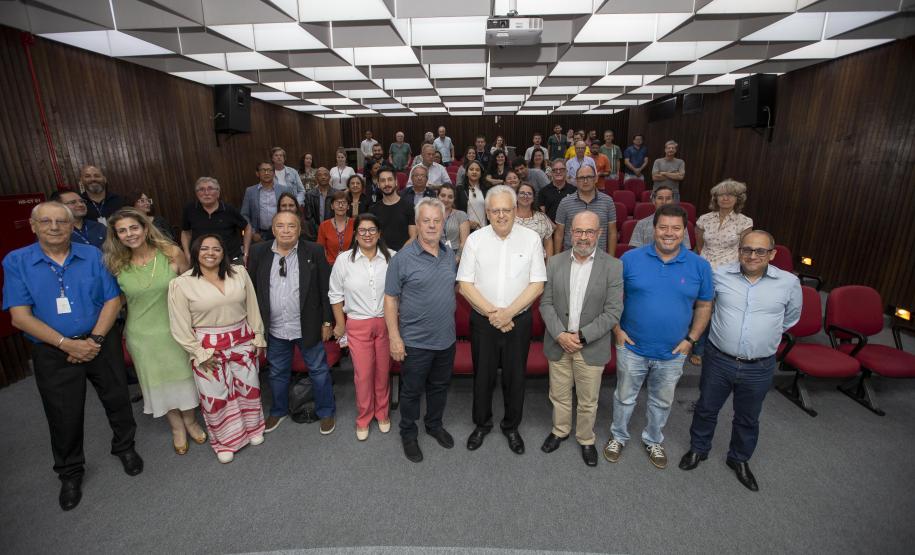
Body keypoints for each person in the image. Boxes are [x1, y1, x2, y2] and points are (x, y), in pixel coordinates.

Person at [3, 201, 141, 511]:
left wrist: (93, 340)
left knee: (117, 398)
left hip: (100, 341)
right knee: (63, 414)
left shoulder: (92, 255)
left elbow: (112, 300)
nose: (54, 227)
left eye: (61, 222)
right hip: (53, 351)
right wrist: (68, 344)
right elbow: (20, 317)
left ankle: (125, 448)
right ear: (33, 225)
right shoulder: (18, 261)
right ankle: (70, 473)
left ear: (70, 225)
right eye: (46, 221)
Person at [679, 230, 802, 492]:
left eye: (760, 251)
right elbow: (706, 307)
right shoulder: (720, 275)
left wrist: (762, 335)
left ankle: (739, 459)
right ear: (739, 251)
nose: (752, 255)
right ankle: (698, 449)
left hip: (759, 365)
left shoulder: (789, 283)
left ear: (772, 254)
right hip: (719, 359)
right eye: (747, 249)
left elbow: (790, 318)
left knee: (748, 417)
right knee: (706, 408)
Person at [604, 204, 713, 469]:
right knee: (624, 397)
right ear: (653, 229)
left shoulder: (700, 266)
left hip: (674, 351)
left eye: (676, 228)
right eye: (663, 227)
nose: (669, 233)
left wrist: (691, 340)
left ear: (684, 231)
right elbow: (612, 298)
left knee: (662, 401)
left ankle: (653, 439)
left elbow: (704, 306)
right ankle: (618, 436)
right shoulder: (630, 259)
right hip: (632, 347)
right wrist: (617, 330)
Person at [103, 208, 204, 453]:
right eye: (122, 231)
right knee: (158, 383)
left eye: (134, 228)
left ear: (145, 228)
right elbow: (115, 302)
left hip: (176, 330)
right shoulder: (115, 264)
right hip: (142, 335)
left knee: (184, 378)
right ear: (116, 236)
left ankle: (190, 421)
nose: (129, 234)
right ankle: (176, 426)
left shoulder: (171, 253)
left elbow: (193, 288)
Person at [458, 186, 547, 455]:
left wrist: (508, 314)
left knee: (515, 377)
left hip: (517, 322)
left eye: (506, 210)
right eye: (494, 211)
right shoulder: (475, 240)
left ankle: (511, 427)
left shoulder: (531, 239)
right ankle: (482, 424)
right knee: (482, 376)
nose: (500, 215)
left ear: (514, 210)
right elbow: (464, 284)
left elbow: (537, 285)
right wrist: (494, 314)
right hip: (483, 322)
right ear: (487, 212)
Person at [167, 234, 266, 463]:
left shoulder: (239, 273)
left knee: (249, 387)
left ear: (223, 253)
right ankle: (225, 441)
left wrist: (258, 336)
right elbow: (179, 325)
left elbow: (252, 305)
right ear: (195, 252)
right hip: (207, 347)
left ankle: (253, 429)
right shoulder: (181, 283)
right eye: (204, 249)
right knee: (216, 395)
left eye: (216, 249)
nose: (210, 253)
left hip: (242, 339)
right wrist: (199, 353)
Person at [540, 211, 623, 465]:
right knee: (559, 394)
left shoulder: (613, 266)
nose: (583, 237)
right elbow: (546, 304)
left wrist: (581, 337)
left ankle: (586, 438)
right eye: (578, 231)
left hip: (591, 346)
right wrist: (560, 335)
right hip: (559, 343)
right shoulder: (555, 263)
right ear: (570, 233)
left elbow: (613, 311)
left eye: (589, 232)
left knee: (588, 400)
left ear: (599, 233)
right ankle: (560, 430)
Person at [247, 211, 336, 436]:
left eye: (291, 226)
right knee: (277, 372)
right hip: (275, 327)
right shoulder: (259, 252)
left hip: (306, 325)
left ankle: (326, 412)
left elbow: (325, 289)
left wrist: (327, 321)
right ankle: (278, 410)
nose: (286, 230)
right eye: (281, 226)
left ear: (299, 229)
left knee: (318, 370)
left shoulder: (314, 251)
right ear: (273, 229)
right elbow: (253, 291)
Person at [384, 198, 458, 463]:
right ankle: (408, 432)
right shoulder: (401, 260)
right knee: (412, 391)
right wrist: (394, 338)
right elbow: (390, 299)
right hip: (414, 342)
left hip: (446, 339)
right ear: (416, 224)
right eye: (425, 220)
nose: (431, 225)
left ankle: (434, 424)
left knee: (439, 387)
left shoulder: (450, 255)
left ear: (443, 223)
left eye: (436, 220)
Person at [329, 213, 395, 440]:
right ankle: (364, 417)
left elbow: (400, 294)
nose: (367, 234)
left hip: (386, 323)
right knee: (363, 374)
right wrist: (340, 324)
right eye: (362, 231)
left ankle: (383, 413)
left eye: (372, 230)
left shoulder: (391, 258)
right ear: (355, 235)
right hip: (357, 324)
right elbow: (335, 295)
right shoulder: (343, 260)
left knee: (382, 372)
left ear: (379, 233)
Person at [692, 179, 753, 365]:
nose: (725, 198)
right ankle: (696, 346)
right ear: (715, 198)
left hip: (729, 273)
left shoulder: (744, 222)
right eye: (721, 194)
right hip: (704, 270)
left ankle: (710, 349)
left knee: (720, 311)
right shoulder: (704, 219)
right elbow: (699, 246)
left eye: (730, 194)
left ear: (738, 198)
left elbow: (745, 250)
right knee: (701, 308)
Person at [181, 177, 251, 266]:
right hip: (201, 262)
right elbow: (185, 232)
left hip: (231, 261)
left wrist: (245, 253)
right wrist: (187, 255)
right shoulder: (190, 210)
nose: (206, 193)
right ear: (196, 194)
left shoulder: (229, 209)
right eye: (201, 189)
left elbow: (247, 228)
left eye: (210, 189)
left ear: (218, 193)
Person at [553, 165, 618, 255]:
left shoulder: (608, 201)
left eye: (589, 177)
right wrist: (557, 259)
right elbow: (559, 234)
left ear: (596, 178)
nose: (585, 181)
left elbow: (612, 233)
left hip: (599, 258)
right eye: (581, 178)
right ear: (576, 181)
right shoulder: (565, 203)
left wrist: (611, 259)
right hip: (571, 259)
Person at [241, 162, 294, 243]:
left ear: (274, 173)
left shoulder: (285, 190)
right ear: (257, 173)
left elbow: (293, 211)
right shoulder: (250, 191)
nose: (267, 173)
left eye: (270, 170)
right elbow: (244, 214)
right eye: (263, 170)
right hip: (259, 235)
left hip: (282, 232)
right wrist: (252, 232)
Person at [369, 167, 416, 250]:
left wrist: (399, 255)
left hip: (404, 256)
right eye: (383, 180)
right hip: (382, 256)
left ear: (396, 182)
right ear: (378, 185)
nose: (387, 183)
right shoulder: (373, 210)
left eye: (390, 179)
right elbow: (373, 236)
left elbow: (414, 236)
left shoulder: (409, 206)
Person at [514, 183, 554, 259]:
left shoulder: (542, 218)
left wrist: (548, 266)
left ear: (533, 198)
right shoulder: (508, 217)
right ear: (516, 196)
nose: (525, 196)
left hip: (538, 262)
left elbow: (548, 243)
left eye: (529, 194)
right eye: (522, 193)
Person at [317, 191, 355, 266]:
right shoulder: (324, 226)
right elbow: (320, 250)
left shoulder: (355, 224)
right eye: (337, 203)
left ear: (348, 206)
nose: (341, 206)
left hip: (352, 266)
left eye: (344, 203)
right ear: (332, 206)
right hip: (330, 266)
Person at [538, 158, 576, 223]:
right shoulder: (543, 191)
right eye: (555, 170)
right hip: (550, 229)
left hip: (569, 229)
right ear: (551, 173)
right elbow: (542, 215)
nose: (558, 172)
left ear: (566, 171)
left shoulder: (574, 191)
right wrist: (555, 227)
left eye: (561, 169)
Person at [438, 183, 470, 259]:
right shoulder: (431, 215)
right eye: (443, 195)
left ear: (454, 198)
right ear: (437, 196)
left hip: (455, 254)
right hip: (435, 254)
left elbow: (464, 242)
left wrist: (456, 258)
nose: (446, 199)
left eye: (450, 197)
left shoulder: (461, 215)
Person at [304, 167, 334, 238]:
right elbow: (309, 217)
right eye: (320, 175)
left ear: (329, 178)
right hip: (316, 232)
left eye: (325, 175)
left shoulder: (336, 194)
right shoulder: (309, 195)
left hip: (334, 230)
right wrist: (320, 229)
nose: (323, 177)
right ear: (316, 178)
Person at [457, 160, 487, 230]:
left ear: (481, 173)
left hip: (484, 229)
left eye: (477, 170)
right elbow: (457, 211)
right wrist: (467, 223)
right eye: (471, 169)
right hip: (467, 230)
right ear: (467, 173)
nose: (474, 172)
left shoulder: (487, 190)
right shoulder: (460, 189)